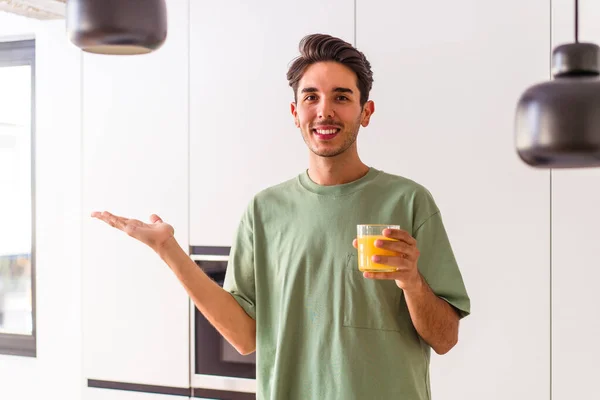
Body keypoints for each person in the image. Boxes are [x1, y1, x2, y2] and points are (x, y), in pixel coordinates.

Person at [92, 33, 470, 400]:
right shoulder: (264, 211)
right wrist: (168, 249)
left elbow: (445, 338)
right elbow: (244, 336)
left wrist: (412, 282)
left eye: (342, 97)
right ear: (295, 113)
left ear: (365, 112)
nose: (325, 110)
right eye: (311, 97)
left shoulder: (408, 202)